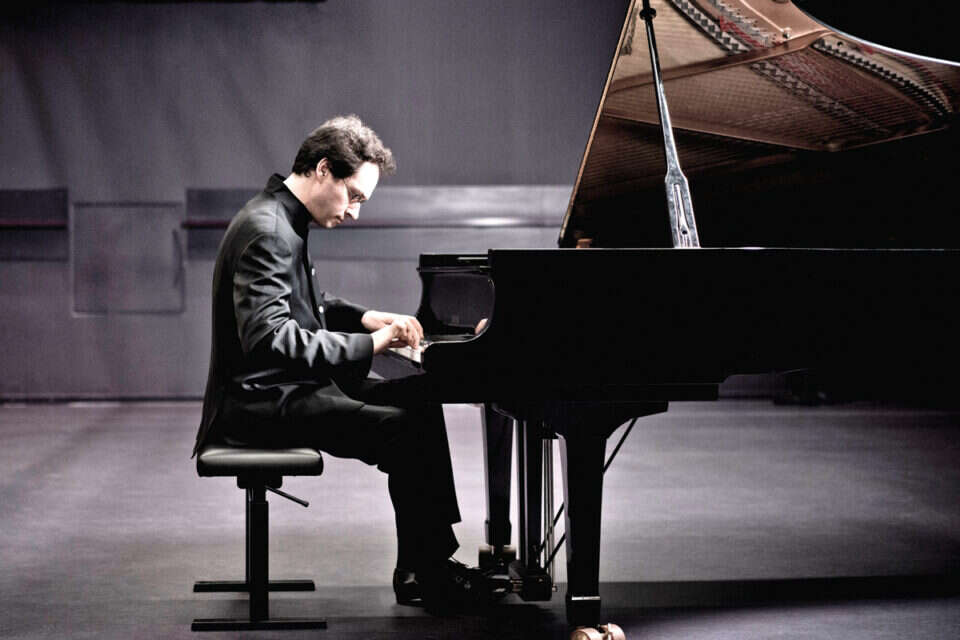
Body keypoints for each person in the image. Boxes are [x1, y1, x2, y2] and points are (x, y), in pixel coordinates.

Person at [192, 114, 480, 612]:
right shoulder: (269, 232)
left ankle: (424, 564)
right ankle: (429, 574)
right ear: (324, 169)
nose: (355, 213)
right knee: (403, 431)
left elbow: (305, 305)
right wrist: (373, 344)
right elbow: (270, 339)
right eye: (354, 196)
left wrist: (365, 318)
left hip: (284, 388)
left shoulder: (279, 219)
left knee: (420, 398)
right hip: (258, 404)